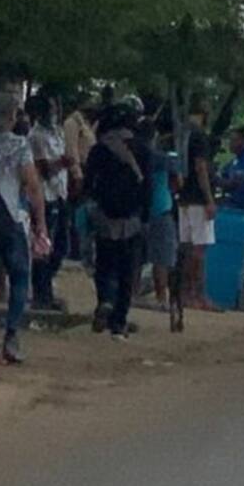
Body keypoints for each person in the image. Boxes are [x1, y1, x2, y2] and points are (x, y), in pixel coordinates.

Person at [0, 92, 49, 364]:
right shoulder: (19, 145)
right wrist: (41, 224)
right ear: (10, 116)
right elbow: (32, 185)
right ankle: (12, 337)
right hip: (13, 220)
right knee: (19, 277)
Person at [84, 104, 151, 340]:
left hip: (104, 218)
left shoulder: (99, 149)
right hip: (131, 219)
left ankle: (105, 300)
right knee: (127, 272)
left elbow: (88, 182)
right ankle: (118, 323)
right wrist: (145, 216)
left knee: (103, 265)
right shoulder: (142, 149)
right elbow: (148, 186)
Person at [28, 93, 72, 312]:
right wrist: (62, 163)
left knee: (61, 246)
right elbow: (42, 168)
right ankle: (41, 294)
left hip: (60, 193)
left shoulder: (58, 132)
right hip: (45, 196)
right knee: (44, 247)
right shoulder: (36, 136)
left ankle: (45, 290)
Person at [177, 103, 216, 311]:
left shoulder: (182, 135)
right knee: (199, 250)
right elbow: (200, 167)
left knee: (186, 248)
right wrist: (209, 199)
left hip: (183, 198)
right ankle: (196, 295)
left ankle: (184, 293)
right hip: (197, 199)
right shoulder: (199, 136)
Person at [137, 119, 178, 308]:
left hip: (137, 211)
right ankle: (162, 297)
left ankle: (132, 293)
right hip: (160, 209)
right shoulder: (162, 159)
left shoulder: (134, 156)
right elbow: (177, 182)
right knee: (161, 258)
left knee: (136, 256)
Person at [220, 127, 244, 214]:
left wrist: (220, 182)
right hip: (231, 207)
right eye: (230, 140)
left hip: (243, 209)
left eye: (234, 140)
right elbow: (223, 173)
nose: (231, 144)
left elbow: (237, 181)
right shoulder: (233, 162)